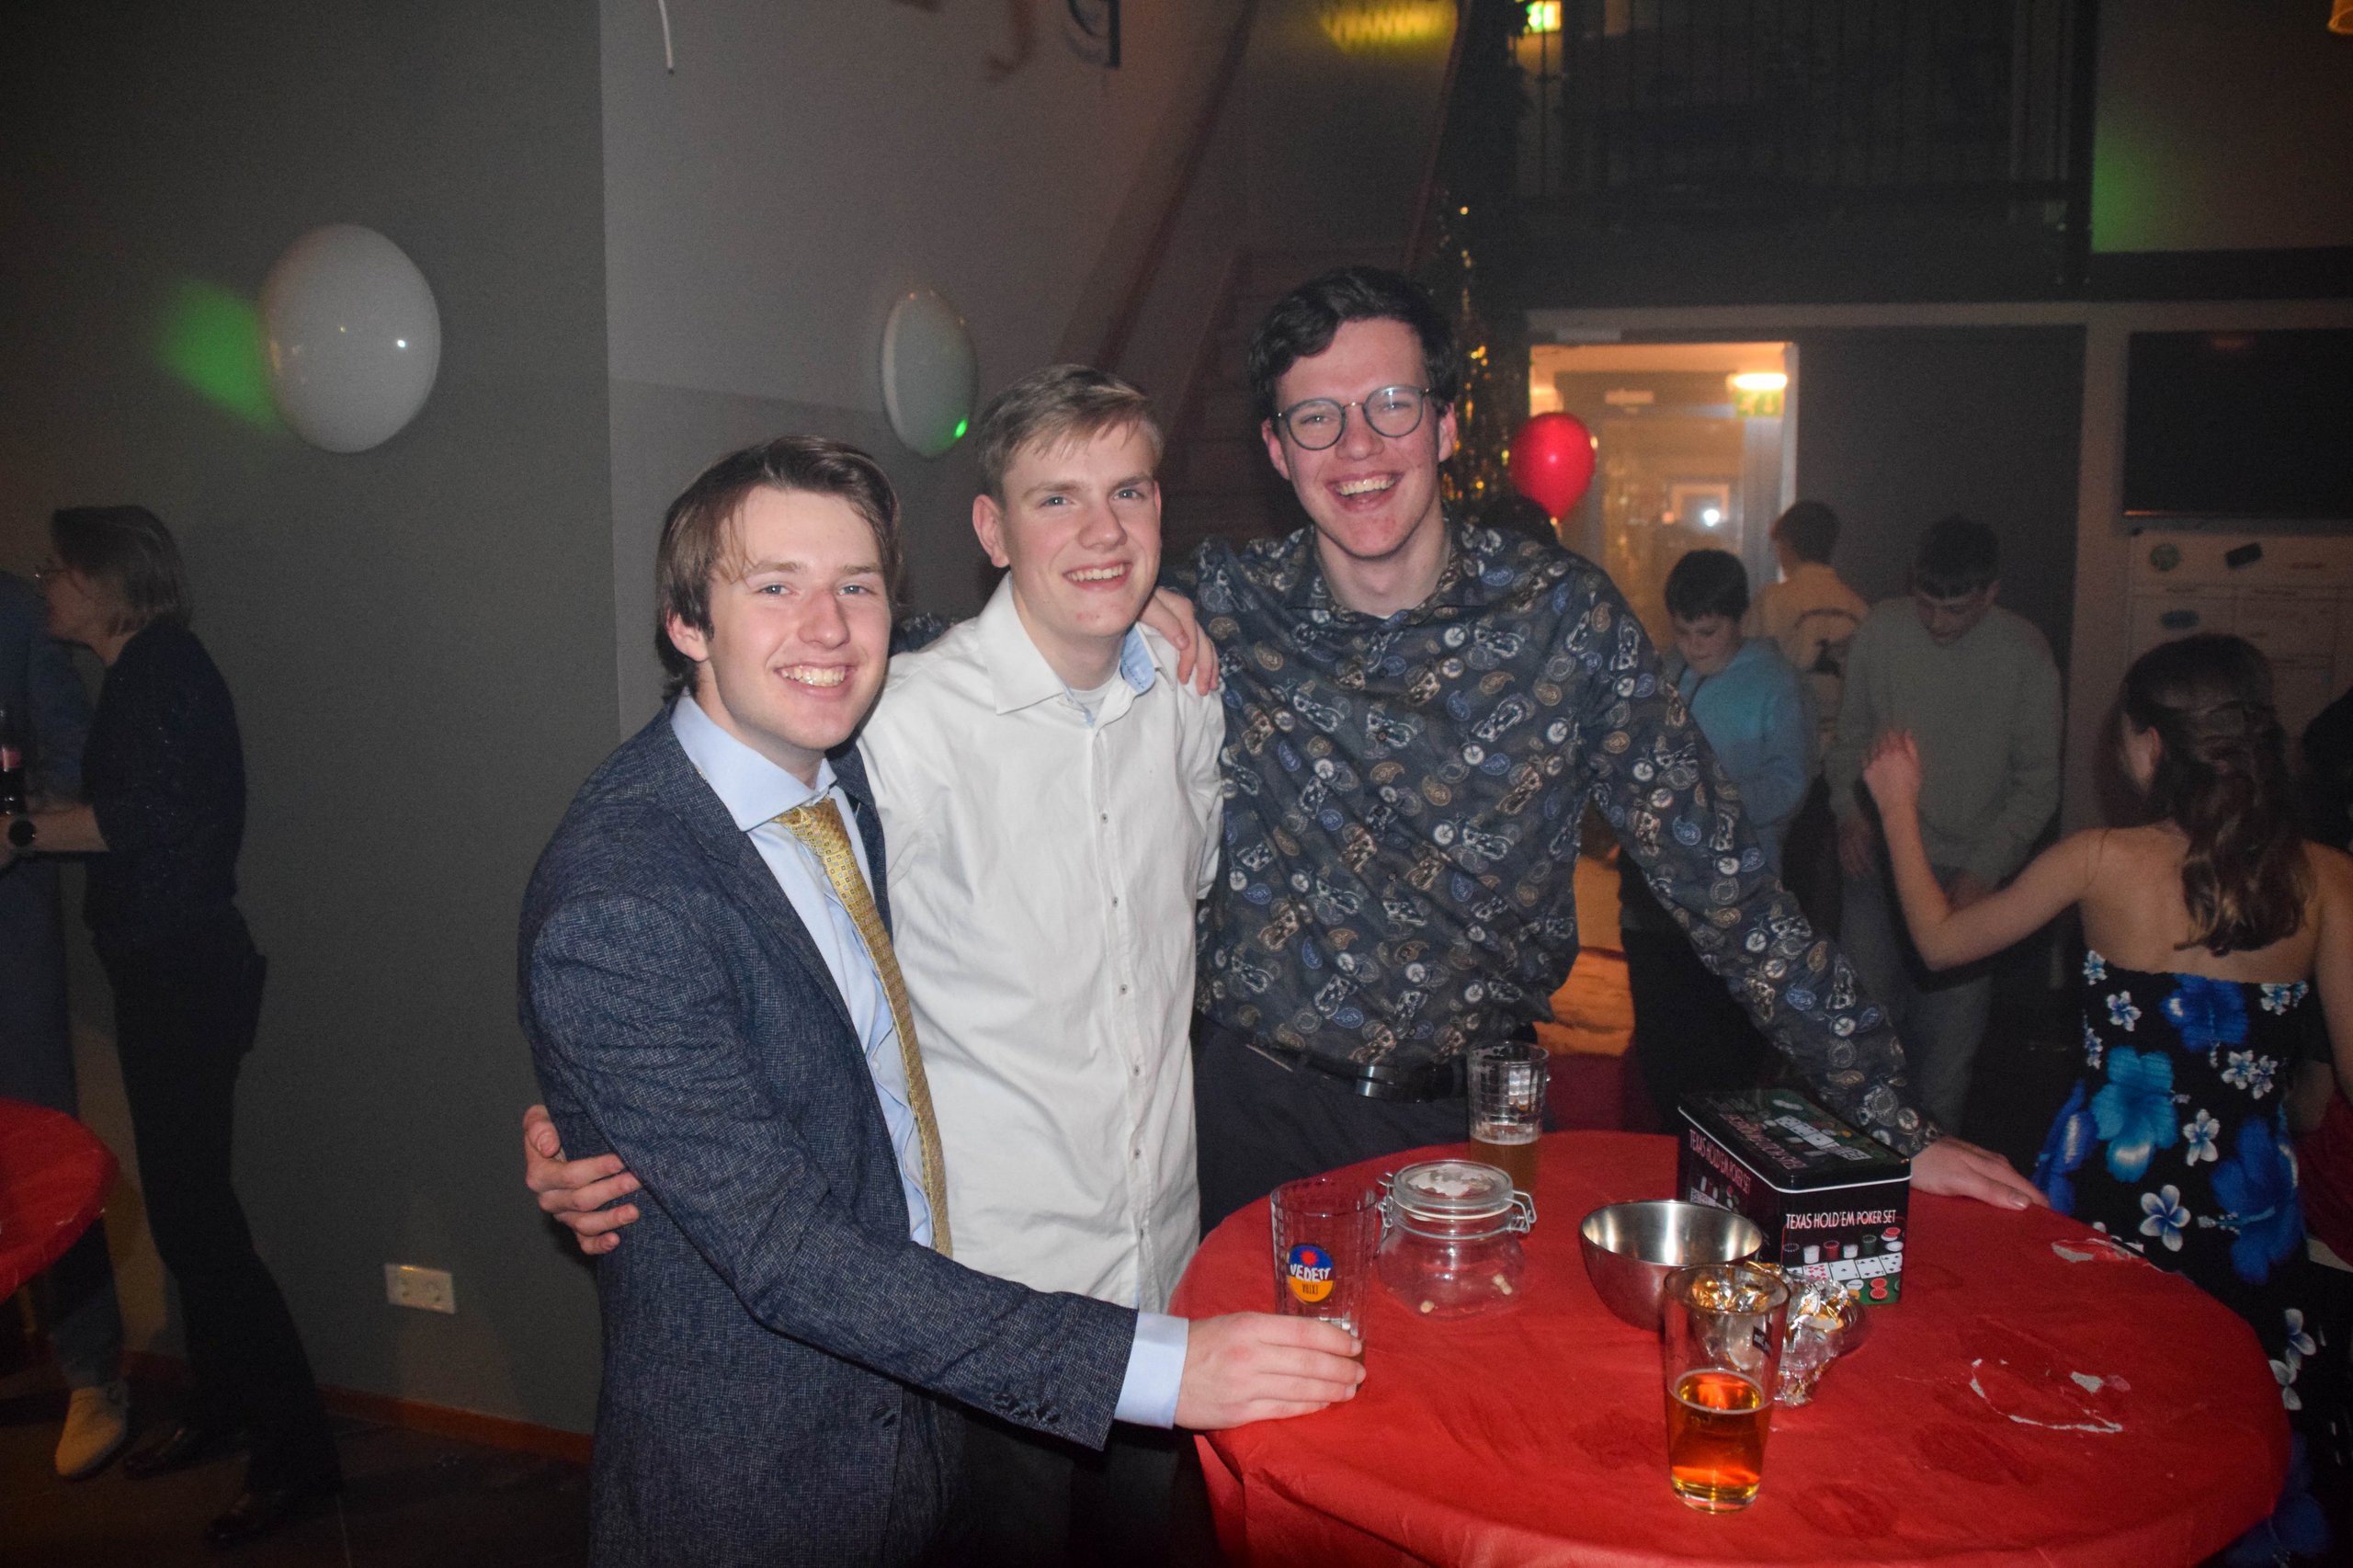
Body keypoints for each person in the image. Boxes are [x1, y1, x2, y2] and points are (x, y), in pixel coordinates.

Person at [519, 435, 1358, 1566]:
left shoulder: (845, 773)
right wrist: (1164, 1368)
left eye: (855, 586)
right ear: (685, 620)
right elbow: (787, 1249)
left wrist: (1128, 611)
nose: (827, 629)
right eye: (774, 587)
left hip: (926, 1433)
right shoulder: (625, 899)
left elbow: (984, 645)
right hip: (767, 1483)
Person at [1159, 266, 2040, 1225]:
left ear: (1445, 426)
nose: (1358, 444)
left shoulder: (1562, 618)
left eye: (1392, 404)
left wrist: (1889, 1113)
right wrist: (1116, 612)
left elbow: (1723, 880)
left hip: (1470, 1122)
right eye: (1316, 417)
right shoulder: (1219, 605)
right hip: (1260, 1113)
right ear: (1276, 450)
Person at [1863, 631, 2349, 1557]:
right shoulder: (2325, 875)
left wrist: (1896, 806)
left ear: (2150, 748)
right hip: (2250, 1206)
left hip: (2111, 1187)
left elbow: (1938, 940)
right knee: (2231, 1436)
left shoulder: (2097, 858)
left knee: (2087, 1433)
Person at [6, 506, 336, 1547]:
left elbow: (135, 818)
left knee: (201, 1225)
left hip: (183, 979)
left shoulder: (161, 671)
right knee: (194, 1218)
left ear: (106, 582)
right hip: (171, 976)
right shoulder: (147, 672)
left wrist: (17, 830)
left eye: (59, 568)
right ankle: (223, 1405)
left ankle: (298, 1457)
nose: (46, 582)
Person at [1824, 514, 2062, 1134]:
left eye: (1954, 610)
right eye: (1925, 604)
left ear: (1991, 593)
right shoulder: (1882, 627)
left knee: (1944, 1064)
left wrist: (1986, 869)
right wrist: (1850, 812)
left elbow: (2038, 784)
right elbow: (1849, 738)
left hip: (1965, 875)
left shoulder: (2025, 651)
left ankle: (1930, 1187)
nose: (1936, 622)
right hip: (1879, 863)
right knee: (1859, 1047)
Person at [0, 565, 129, 1481]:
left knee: (45, 1144)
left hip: (8, 923)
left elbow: (75, 751)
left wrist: (10, 818)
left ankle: (92, 1372)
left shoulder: (15, 609)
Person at [1620, 549, 1812, 1125]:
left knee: (1723, 1055)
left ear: (1739, 620)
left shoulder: (1775, 684)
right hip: (1655, 901)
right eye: (1682, 633)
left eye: (1707, 633)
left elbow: (1789, 783)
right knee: (1662, 1051)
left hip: (1733, 900)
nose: (1694, 647)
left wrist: (1705, 803)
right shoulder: (1664, 671)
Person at [1745, 500, 1867, 926]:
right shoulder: (1860, 608)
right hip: (1844, 763)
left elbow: (1751, 677)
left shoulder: (1773, 601)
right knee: (1829, 882)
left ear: (1788, 545)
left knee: (1784, 874)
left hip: (1786, 759)